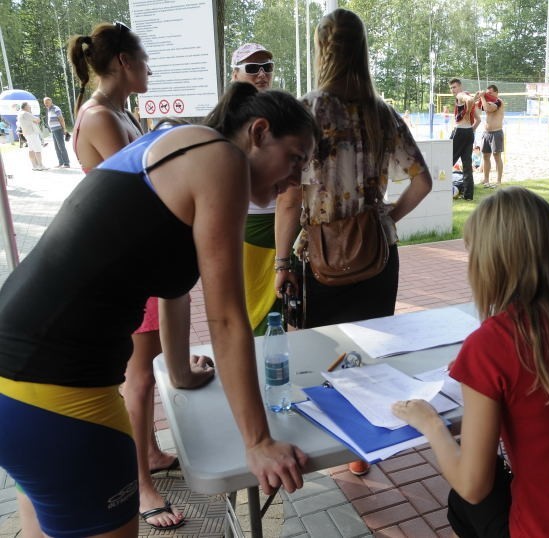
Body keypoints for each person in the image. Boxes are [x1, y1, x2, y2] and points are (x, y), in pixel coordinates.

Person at [0, 82, 318, 538]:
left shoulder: (174, 143)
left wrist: (181, 373)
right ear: (259, 132)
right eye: (295, 158)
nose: (295, 179)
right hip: (61, 396)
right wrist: (258, 442)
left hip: (16, 382)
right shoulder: (222, 159)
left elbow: (173, 291)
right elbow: (226, 317)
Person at [393, 187, 549, 537]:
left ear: (486, 259)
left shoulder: (490, 345)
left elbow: (472, 486)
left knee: (463, 503)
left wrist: (431, 423)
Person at [274, 8, 431, 474]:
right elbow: (420, 182)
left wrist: (282, 261)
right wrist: (387, 218)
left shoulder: (306, 111)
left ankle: (326, 442)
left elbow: (288, 199)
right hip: (378, 255)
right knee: (367, 352)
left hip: (320, 256)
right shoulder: (384, 115)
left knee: (321, 352)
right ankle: (362, 454)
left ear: (323, 50)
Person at [67, 21, 193, 530]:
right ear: (123, 61)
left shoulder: (119, 114)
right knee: (138, 379)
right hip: (126, 261)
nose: (149, 70)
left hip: (137, 256)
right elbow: (144, 190)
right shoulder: (100, 117)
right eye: (143, 60)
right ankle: (140, 485)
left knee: (147, 368)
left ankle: (154, 453)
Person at [230, 42, 283, 335]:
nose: (262, 74)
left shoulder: (281, 111)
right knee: (254, 307)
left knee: (283, 304)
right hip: (249, 225)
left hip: (286, 221)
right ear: (236, 74)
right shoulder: (230, 118)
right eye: (252, 68)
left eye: (267, 67)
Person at [449, 78, 480, 200]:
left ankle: (440, 189)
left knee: (447, 160)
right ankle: (468, 195)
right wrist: (471, 130)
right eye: (451, 88)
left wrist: (466, 112)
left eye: (454, 87)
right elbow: (479, 120)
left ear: (460, 87)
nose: (453, 90)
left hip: (460, 131)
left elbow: (470, 100)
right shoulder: (466, 95)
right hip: (468, 132)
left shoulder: (461, 95)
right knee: (467, 165)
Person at [476, 84, 505, 188]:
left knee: (497, 157)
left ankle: (498, 181)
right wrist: (477, 96)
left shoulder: (498, 101)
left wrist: (482, 96)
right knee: (485, 156)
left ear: (496, 93)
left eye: (490, 93)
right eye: (487, 93)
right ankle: (486, 179)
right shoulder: (486, 101)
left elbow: (488, 109)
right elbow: (477, 106)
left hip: (496, 132)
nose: (488, 94)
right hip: (486, 133)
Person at [43, 97, 72, 168]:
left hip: (58, 129)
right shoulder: (49, 109)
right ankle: (61, 162)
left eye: (47, 102)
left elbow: (61, 119)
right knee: (56, 147)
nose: (46, 104)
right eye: (45, 103)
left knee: (61, 146)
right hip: (53, 131)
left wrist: (64, 129)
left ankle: (66, 163)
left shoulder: (56, 108)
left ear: (51, 101)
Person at [16, 102, 46, 171]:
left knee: (31, 149)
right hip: (32, 133)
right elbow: (38, 120)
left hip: (27, 133)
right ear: (25, 107)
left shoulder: (20, 114)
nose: (30, 107)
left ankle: (34, 166)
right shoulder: (26, 113)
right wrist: (35, 120)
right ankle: (40, 165)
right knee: (37, 149)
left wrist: (34, 120)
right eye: (29, 106)